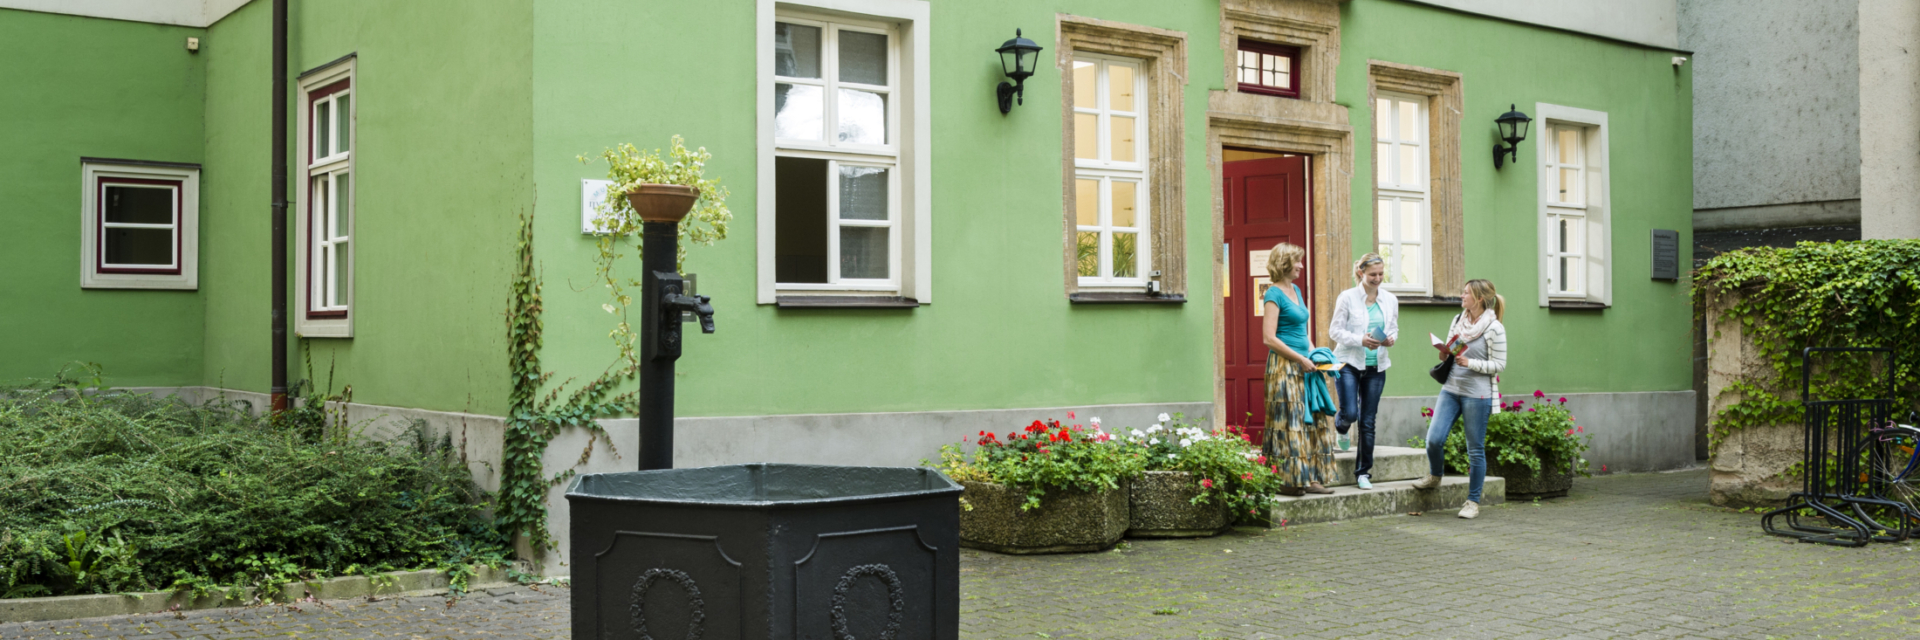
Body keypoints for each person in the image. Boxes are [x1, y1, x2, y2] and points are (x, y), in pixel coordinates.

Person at [1411, 279, 1507, 519]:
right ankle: (1435, 476)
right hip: (1451, 388)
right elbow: (1453, 352)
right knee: (1434, 439)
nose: (1461, 296)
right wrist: (1445, 354)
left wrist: (1471, 362)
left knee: (1475, 450)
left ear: (1479, 299)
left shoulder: (1494, 328)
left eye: (1466, 293)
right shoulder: (1458, 320)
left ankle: (1472, 502)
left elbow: (1500, 364)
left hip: (1477, 394)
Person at [1261, 242, 1335, 496]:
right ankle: (1288, 480)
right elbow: (1269, 338)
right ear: (1284, 263)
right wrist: (1299, 359)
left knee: (1312, 420)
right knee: (1289, 422)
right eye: (1298, 262)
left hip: (1304, 365)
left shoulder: (1296, 290)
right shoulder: (1273, 293)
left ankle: (1311, 477)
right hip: (1283, 367)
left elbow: (1302, 332)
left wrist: (1314, 356)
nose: (1302, 266)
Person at [1327, 253, 1397, 491]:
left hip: (1377, 366)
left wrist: (1390, 340)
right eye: (1372, 275)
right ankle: (1341, 426)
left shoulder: (1390, 299)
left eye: (1380, 274)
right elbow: (1334, 331)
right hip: (1348, 362)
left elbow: (1394, 328)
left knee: (1368, 421)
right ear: (1361, 273)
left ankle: (1363, 473)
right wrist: (1360, 339)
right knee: (1350, 414)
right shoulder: (1347, 297)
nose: (1377, 279)